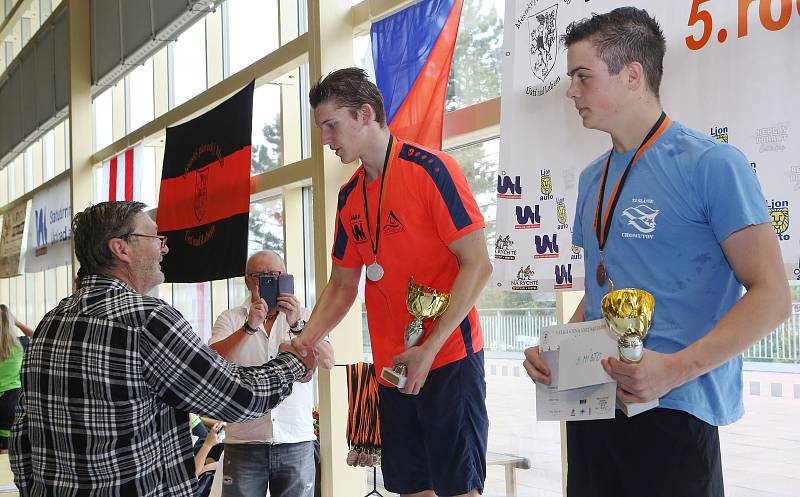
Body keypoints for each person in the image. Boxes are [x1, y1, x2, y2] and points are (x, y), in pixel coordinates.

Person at [522, 7, 791, 497]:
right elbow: (603, 288)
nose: (571, 91)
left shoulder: (712, 165)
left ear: (632, 75)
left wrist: (674, 369)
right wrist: (556, 350)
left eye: (583, 77)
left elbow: (772, 296)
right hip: (595, 408)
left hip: (675, 413)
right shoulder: (591, 179)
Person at [10, 201, 316, 497]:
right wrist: (293, 361)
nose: (164, 247)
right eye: (155, 237)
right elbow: (238, 396)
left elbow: (22, 435)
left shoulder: (51, 322)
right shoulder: (147, 319)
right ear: (121, 248)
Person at [295, 67, 492, 497]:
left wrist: (429, 348)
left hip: (447, 358)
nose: (326, 139)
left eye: (332, 125)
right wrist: (304, 341)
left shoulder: (431, 170)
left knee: (459, 489)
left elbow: (478, 264)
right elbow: (342, 286)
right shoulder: (349, 198)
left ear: (365, 114)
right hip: (393, 370)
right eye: (321, 128)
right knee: (410, 488)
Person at [209, 250, 334, 497]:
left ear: (286, 278)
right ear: (247, 281)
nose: (270, 281)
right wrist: (249, 327)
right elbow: (213, 364)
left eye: (276, 275)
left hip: (295, 439)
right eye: (261, 276)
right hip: (244, 439)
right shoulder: (232, 318)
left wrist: (298, 325)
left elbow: (328, 360)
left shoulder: (306, 316)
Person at [0, 305, 32, 453]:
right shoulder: (20, 344)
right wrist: (17, 322)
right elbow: (38, 335)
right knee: (5, 451)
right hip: (11, 400)